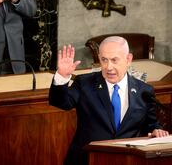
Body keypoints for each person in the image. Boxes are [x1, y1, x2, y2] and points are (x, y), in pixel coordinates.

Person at [49, 36, 169, 165]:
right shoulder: (84, 83)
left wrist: (157, 130)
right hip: (88, 159)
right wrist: (62, 76)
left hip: (128, 160)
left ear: (128, 59)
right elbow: (61, 102)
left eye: (114, 60)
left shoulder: (143, 90)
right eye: (104, 60)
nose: (108, 67)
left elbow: (150, 124)